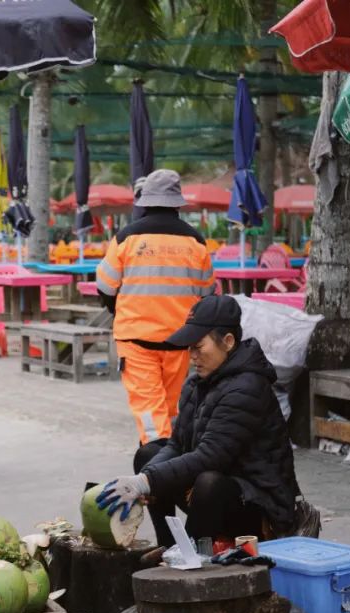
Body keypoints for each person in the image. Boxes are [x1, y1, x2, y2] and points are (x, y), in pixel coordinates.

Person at [97, 295, 299, 547]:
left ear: (227, 342)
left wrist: (146, 482)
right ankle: (167, 546)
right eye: (189, 348)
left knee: (208, 482)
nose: (192, 356)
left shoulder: (248, 388)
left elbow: (210, 456)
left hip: (258, 506)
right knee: (148, 455)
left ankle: (188, 554)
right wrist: (146, 479)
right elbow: (177, 444)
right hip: (214, 491)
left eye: (198, 347)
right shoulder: (196, 385)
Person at [96, 169, 214, 448]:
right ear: (177, 202)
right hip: (179, 340)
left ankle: (155, 462)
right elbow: (207, 293)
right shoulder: (195, 241)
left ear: (145, 201)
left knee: (149, 409)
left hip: (136, 339)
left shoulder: (126, 238)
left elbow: (105, 286)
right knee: (172, 409)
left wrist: (120, 308)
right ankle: (169, 461)